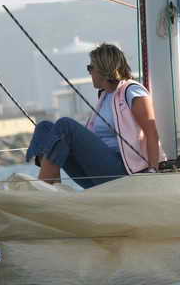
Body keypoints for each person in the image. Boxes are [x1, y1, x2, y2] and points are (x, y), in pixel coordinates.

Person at [26, 43, 163, 188]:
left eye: (90, 68)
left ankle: (43, 186)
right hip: (99, 171)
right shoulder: (105, 96)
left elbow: (151, 132)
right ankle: (51, 187)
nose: (89, 72)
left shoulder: (132, 91)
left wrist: (152, 171)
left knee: (65, 125)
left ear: (104, 68)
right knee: (44, 127)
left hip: (123, 172)